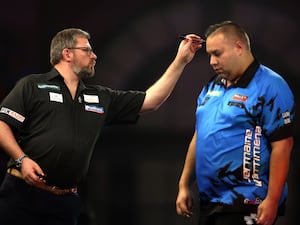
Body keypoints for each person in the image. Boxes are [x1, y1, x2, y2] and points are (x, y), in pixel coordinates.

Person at [0, 28, 204, 225]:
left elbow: (151, 101)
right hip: (22, 194)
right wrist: (22, 159)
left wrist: (181, 60)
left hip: (64, 202)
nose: (94, 56)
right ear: (67, 53)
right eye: (87, 50)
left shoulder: (99, 97)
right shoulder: (32, 85)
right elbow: (2, 125)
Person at [176, 20, 295, 225]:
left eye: (217, 53)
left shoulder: (271, 85)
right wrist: (184, 185)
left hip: (248, 203)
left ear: (238, 47)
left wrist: (273, 200)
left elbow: (283, 145)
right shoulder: (211, 88)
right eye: (209, 55)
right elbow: (200, 136)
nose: (212, 61)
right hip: (209, 204)